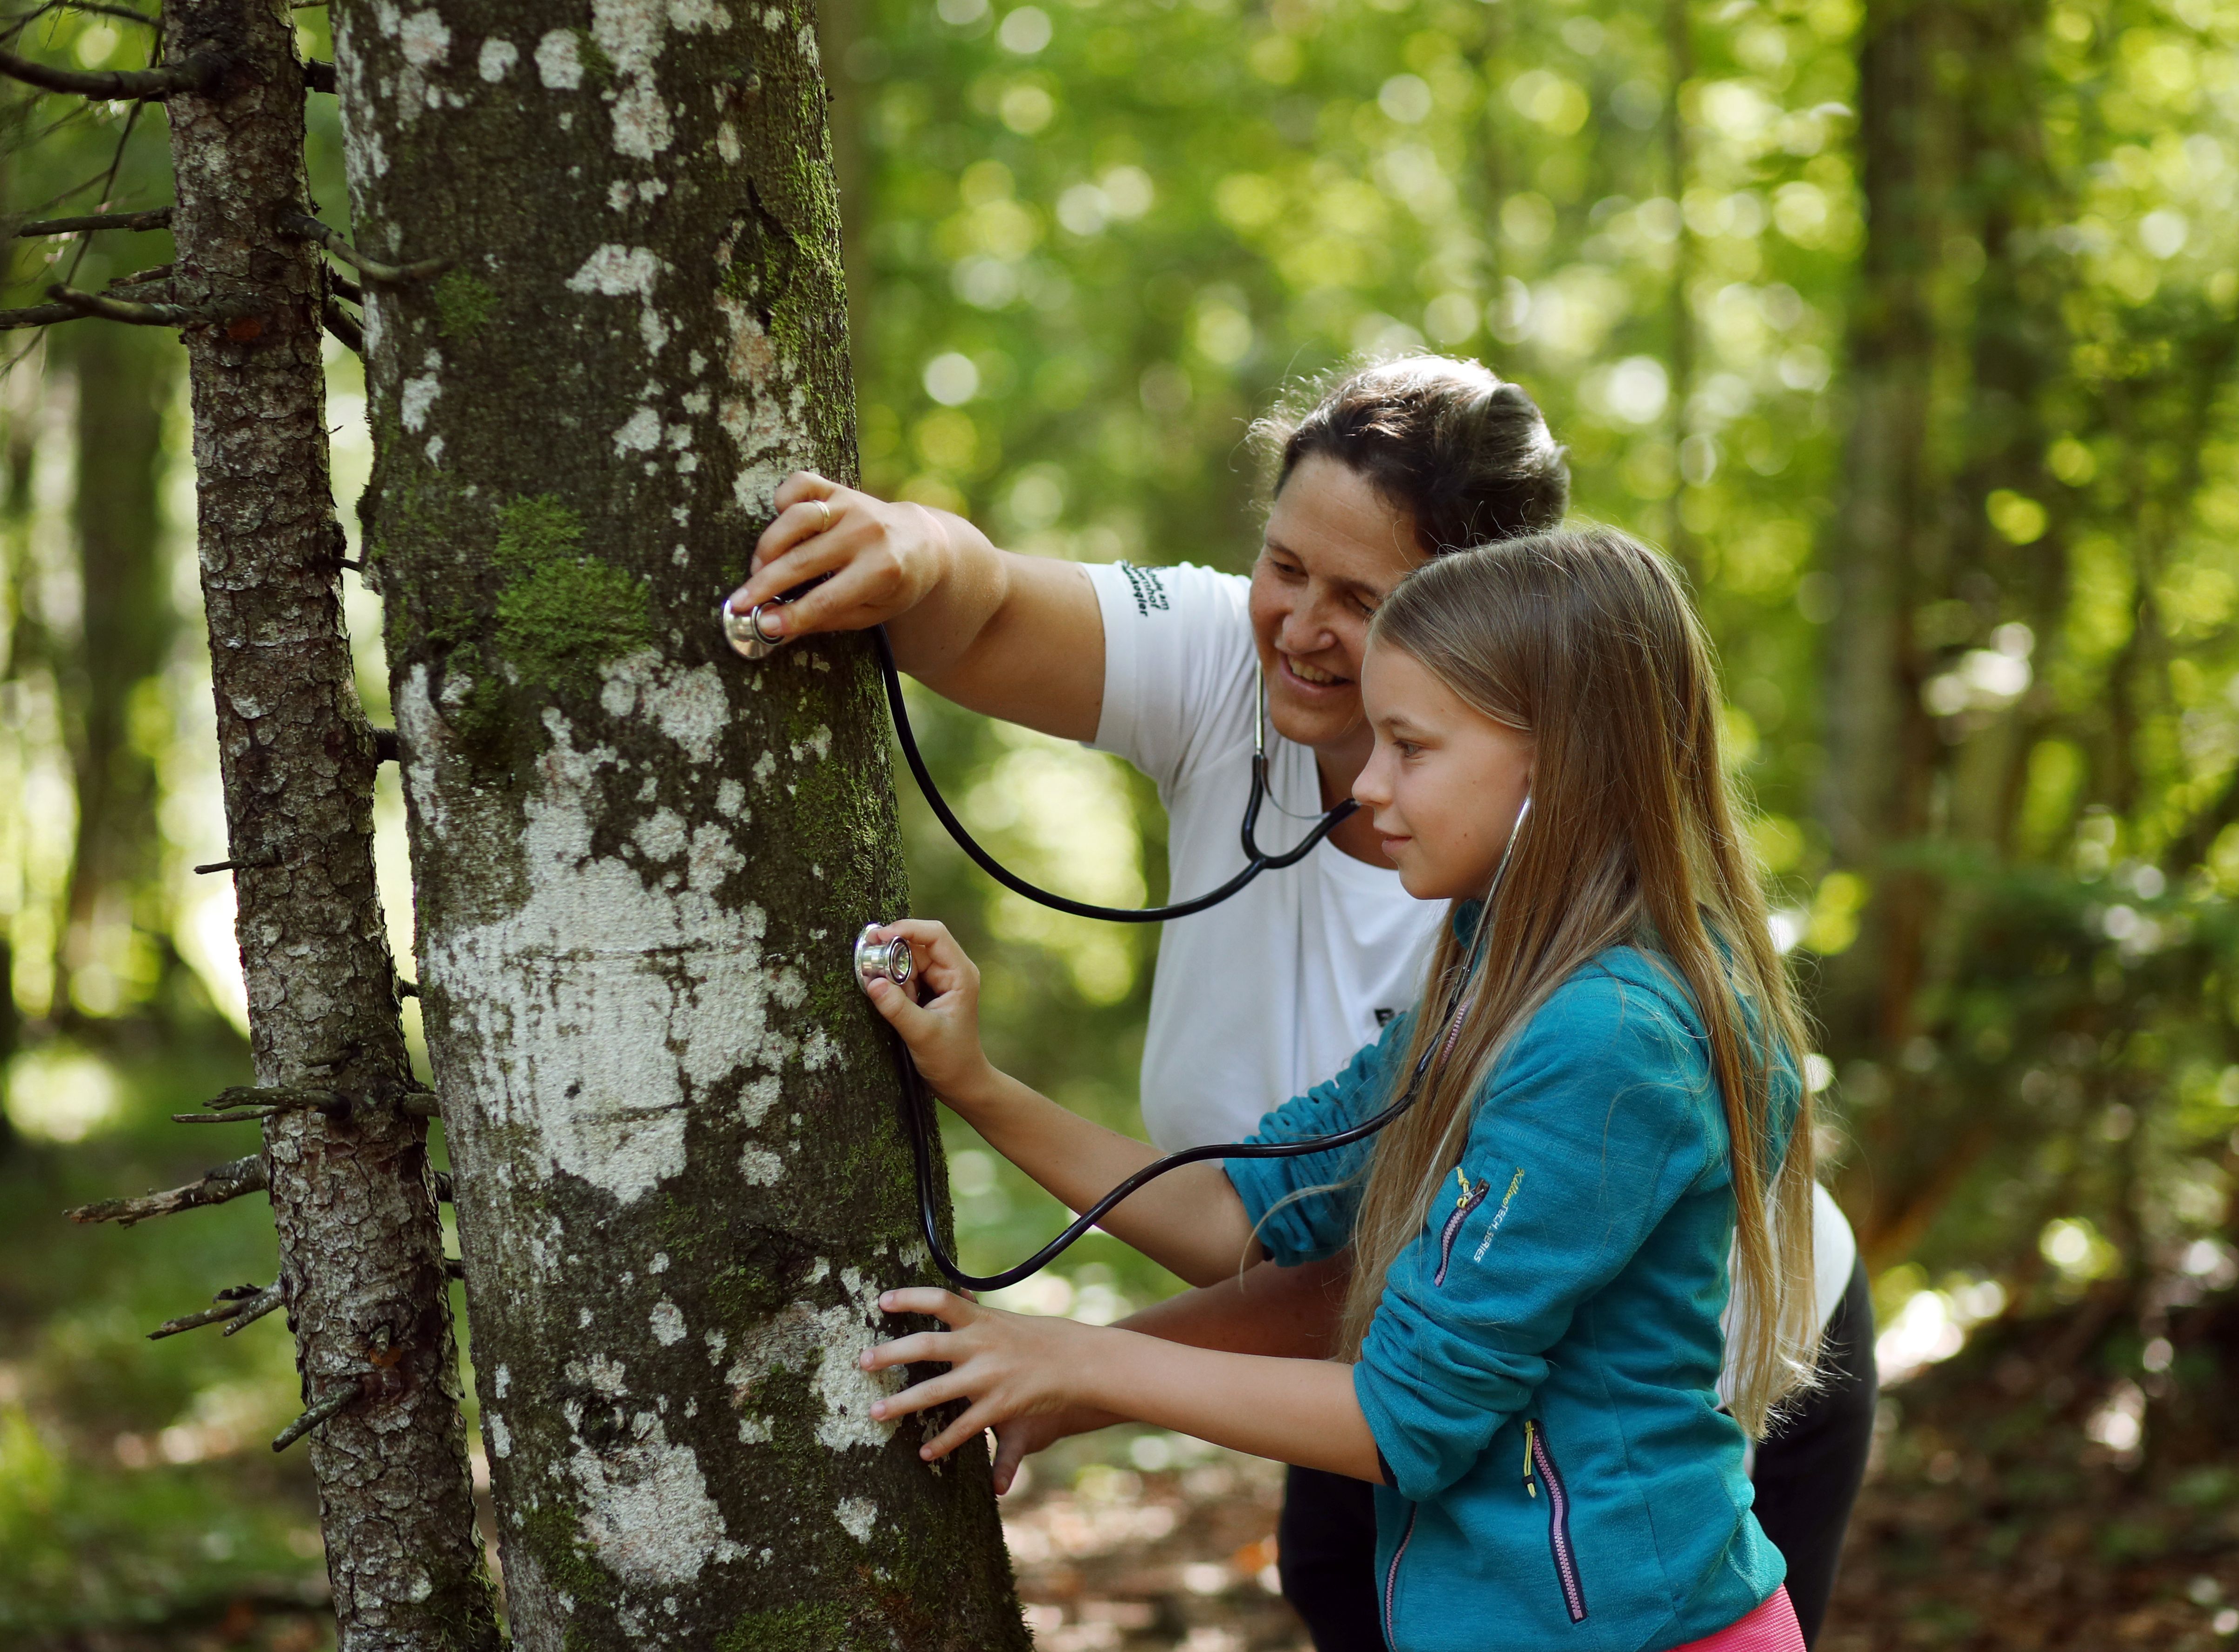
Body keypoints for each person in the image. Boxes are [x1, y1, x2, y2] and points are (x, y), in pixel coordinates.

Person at [734, 355, 1874, 1647]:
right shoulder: (1485, 961)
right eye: (1285, 570)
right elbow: (1256, 1207)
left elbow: (1399, 1388)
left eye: (1411, 743)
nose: (1362, 785)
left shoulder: (1602, 1028)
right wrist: (974, 1084)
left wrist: (1079, 1362)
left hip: (1651, 1506)